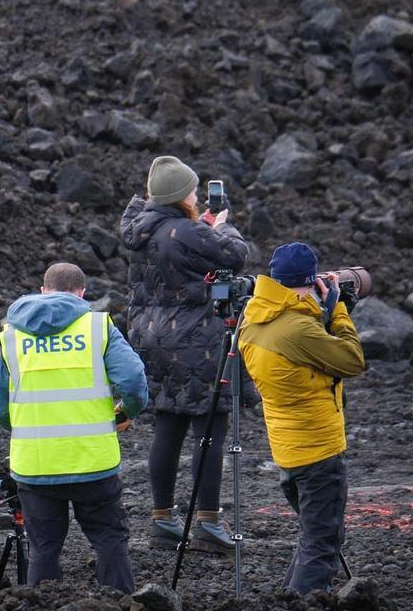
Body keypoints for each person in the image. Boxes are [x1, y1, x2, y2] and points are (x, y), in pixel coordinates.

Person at [0, 262, 148, 593]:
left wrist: (28, 426)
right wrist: (125, 412)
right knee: (109, 540)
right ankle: (118, 602)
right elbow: (133, 381)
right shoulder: (98, 327)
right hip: (93, 462)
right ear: (82, 293)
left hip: (36, 464)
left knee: (43, 549)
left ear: (43, 290)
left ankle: (42, 602)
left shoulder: (12, 334)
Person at [118, 155, 252, 552]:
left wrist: (202, 226)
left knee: (167, 424)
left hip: (150, 337)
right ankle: (208, 521)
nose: (198, 196)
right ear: (179, 196)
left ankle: (162, 519)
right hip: (196, 339)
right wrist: (223, 224)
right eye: (193, 191)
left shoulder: (142, 229)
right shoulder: (185, 230)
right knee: (208, 427)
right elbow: (235, 254)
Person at [238, 243, 365, 595]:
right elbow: (353, 360)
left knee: (313, 537)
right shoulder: (299, 330)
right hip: (319, 450)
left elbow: (298, 357)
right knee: (323, 542)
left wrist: (315, 312)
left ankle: (290, 598)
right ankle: (305, 601)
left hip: (289, 451)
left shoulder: (253, 320)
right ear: (310, 280)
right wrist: (337, 309)